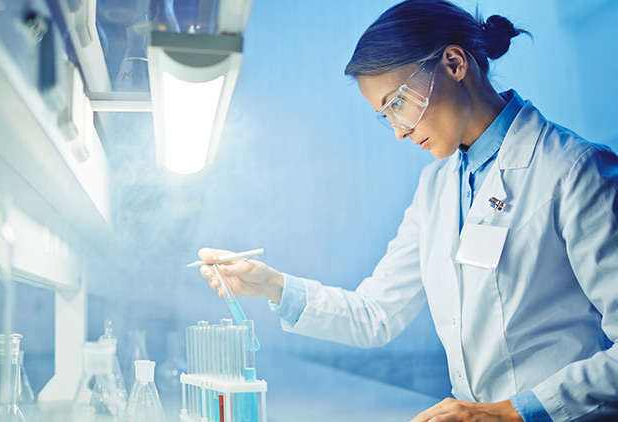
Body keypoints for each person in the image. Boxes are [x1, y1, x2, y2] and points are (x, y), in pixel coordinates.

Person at [196, 1, 618, 421]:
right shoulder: (436, 188)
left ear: (454, 63)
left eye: (397, 103)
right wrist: (271, 285)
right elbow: (376, 313)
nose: (398, 131)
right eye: (384, 116)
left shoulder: (574, 170)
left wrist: (511, 412)